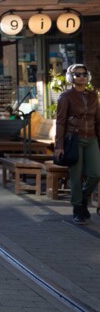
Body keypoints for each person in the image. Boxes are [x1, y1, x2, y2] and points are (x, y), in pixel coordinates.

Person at [54, 63, 100, 225]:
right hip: (74, 140)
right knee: (76, 176)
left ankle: (84, 198)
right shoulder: (66, 96)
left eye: (84, 74)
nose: (82, 77)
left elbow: (97, 119)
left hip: (92, 138)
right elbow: (60, 122)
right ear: (71, 78)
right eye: (78, 74)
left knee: (96, 173)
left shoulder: (93, 95)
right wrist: (59, 145)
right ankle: (77, 208)